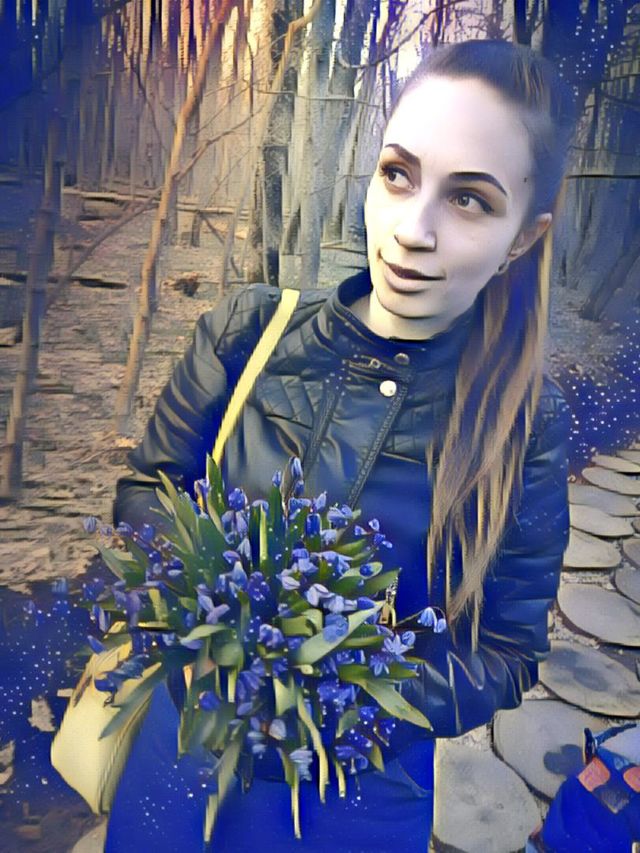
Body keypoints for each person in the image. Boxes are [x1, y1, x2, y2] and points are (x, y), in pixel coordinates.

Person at [107, 39, 576, 851]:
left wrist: (356, 687)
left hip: (354, 800)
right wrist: (220, 611)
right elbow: (148, 492)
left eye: (469, 200)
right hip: (180, 753)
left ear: (524, 239)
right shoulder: (249, 333)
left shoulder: (525, 423)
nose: (413, 230)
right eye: (398, 174)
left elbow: (508, 649)